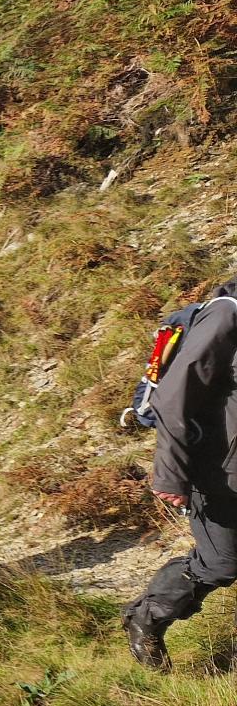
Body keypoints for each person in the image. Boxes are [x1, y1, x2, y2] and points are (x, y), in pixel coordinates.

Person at [123, 278, 237, 671]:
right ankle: (147, 620)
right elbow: (174, 399)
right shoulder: (225, 316)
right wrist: (171, 475)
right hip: (221, 474)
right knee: (221, 564)